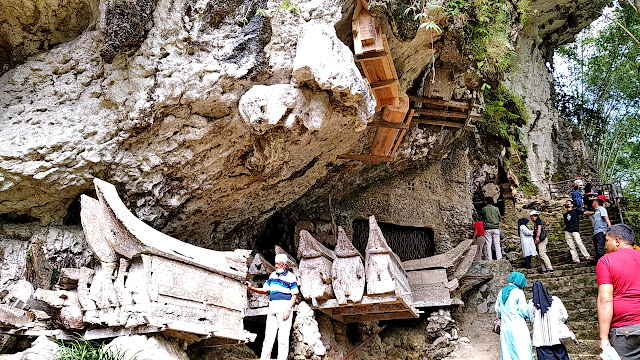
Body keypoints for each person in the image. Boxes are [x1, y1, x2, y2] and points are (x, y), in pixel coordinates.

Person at [596, 224, 640, 359]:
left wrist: (603, 337)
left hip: (625, 329)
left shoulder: (606, 261)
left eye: (607, 240)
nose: (605, 245)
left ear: (617, 240)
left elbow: (605, 299)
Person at [246, 254, 299, 360]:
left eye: (279, 264)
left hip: (284, 307)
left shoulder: (291, 277)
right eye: (275, 264)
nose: (276, 266)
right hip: (273, 307)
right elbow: (265, 289)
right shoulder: (273, 276)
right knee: (268, 337)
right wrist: (252, 288)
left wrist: (288, 309)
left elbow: (294, 295)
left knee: (283, 338)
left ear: (285, 265)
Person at [494, 272, 534, 360]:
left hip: (505, 326)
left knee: (507, 351)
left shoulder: (501, 292)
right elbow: (523, 311)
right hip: (517, 326)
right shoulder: (518, 292)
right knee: (521, 350)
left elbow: (497, 309)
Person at [528, 281, 571, 360]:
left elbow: (532, 319)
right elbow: (564, 315)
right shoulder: (555, 300)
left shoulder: (531, 304)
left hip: (541, 341)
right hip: (557, 338)